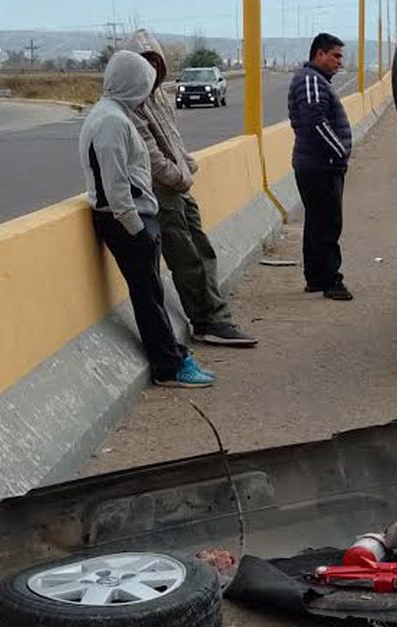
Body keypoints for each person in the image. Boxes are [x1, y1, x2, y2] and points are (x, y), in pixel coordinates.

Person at [78, 50, 215, 387]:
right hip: (127, 221)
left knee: (150, 293)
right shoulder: (111, 121)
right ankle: (169, 366)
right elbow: (115, 186)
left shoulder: (114, 114)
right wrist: (137, 229)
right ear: (134, 83)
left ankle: (173, 356)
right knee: (148, 297)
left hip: (133, 218)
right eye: (144, 83)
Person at [126, 30, 258, 347]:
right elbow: (152, 159)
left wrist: (186, 167)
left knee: (203, 251)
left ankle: (216, 316)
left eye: (156, 63)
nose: (151, 71)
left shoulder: (158, 96)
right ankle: (206, 320)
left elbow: (173, 140)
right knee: (186, 257)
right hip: (162, 192)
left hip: (180, 186)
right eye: (144, 64)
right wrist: (181, 176)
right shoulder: (131, 105)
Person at [288, 33, 354, 301]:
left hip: (317, 164)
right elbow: (315, 121)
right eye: (335, 55)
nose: (339, 61)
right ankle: (331, 282)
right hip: (320, 166)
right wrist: (339, 153)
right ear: (319, 55)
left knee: (316, 223)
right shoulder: (311, 80)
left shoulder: (316, 80)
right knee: (328, 224)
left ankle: (315, 278)